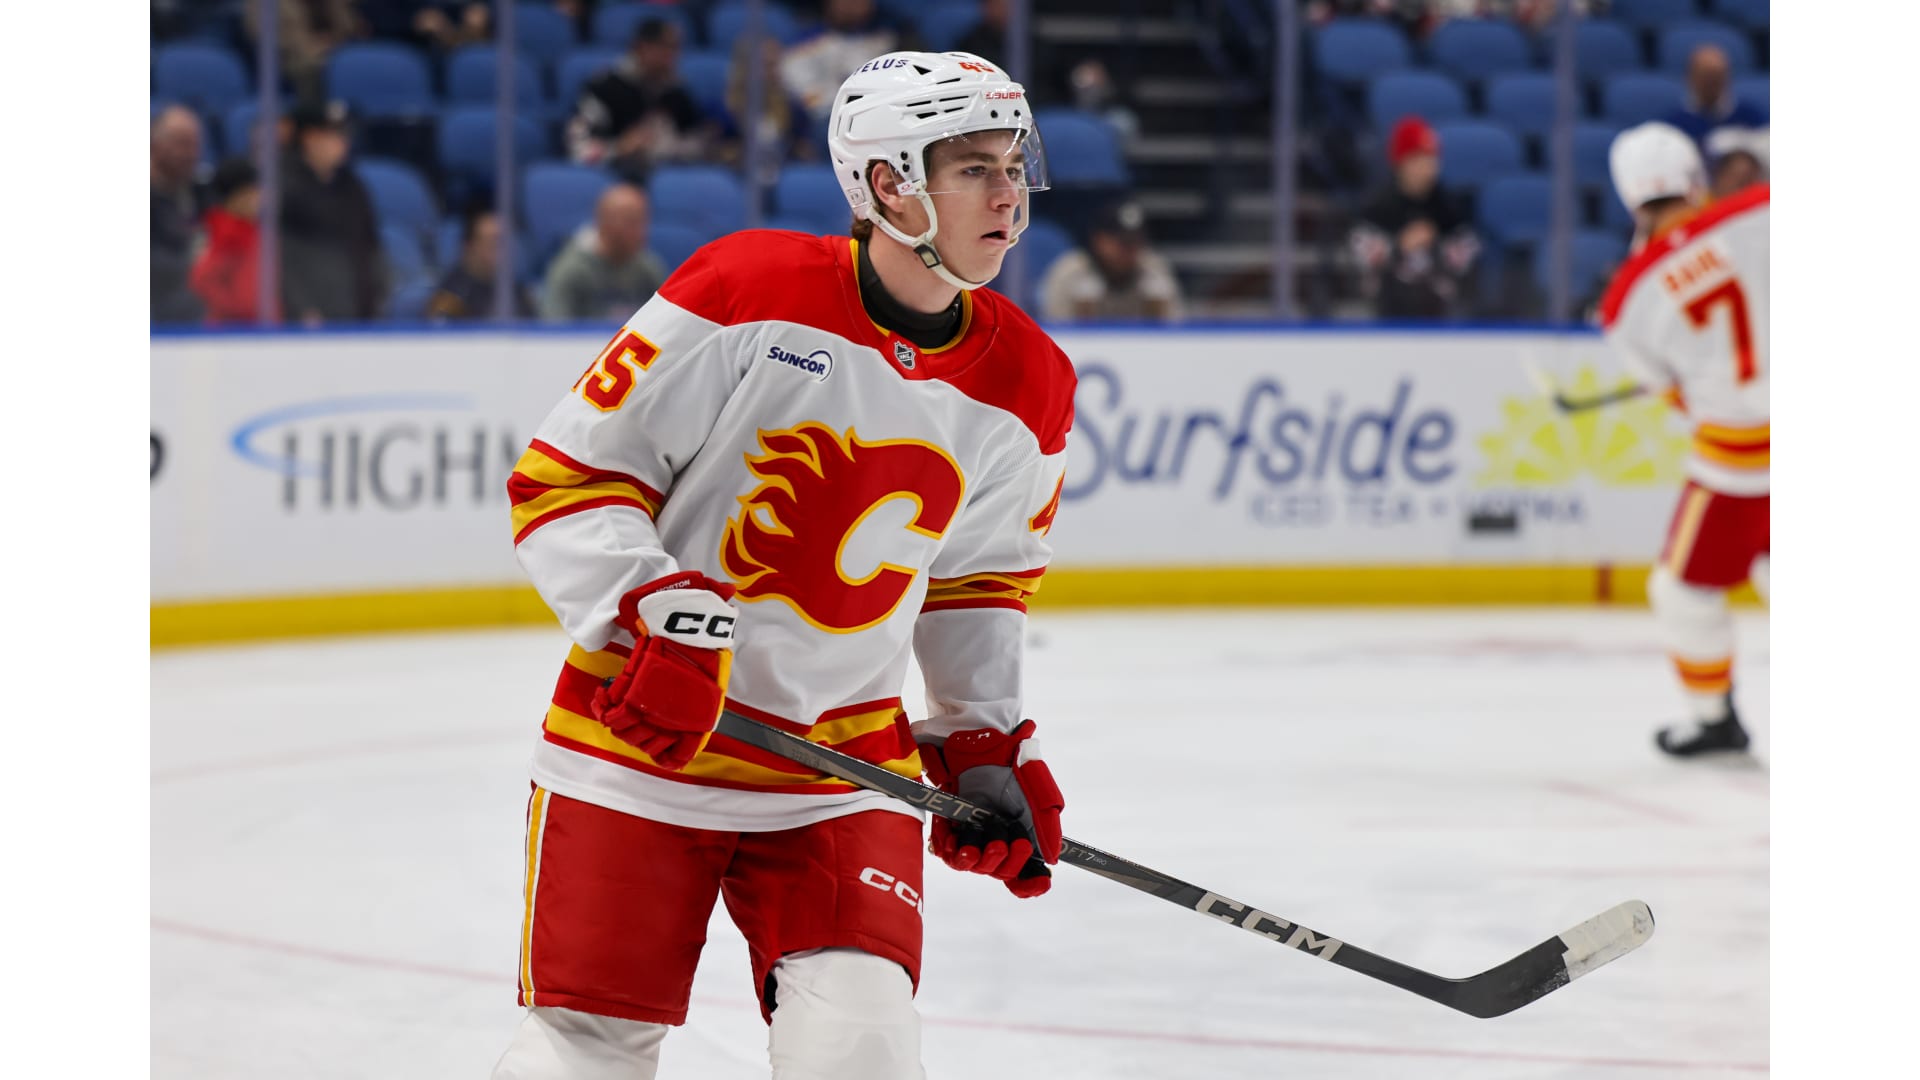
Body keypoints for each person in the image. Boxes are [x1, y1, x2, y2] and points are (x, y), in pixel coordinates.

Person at [492, 51, 1074, 1080]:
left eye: (1012, 163)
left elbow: (979, 581)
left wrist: (979, 737)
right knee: (585, 1055)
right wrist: (649, 610)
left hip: (838, 774)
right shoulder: (744, 288)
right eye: (974, 167)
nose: (1008, 193)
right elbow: (567, 481)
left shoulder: (1031, 378)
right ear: (890, 184)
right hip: (640, 745)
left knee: (862, 1050)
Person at [1597, 122, 1769, 759]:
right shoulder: (1764, 210)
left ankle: (1713, 717)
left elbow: (1675, 397)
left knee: (1682, 591)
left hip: (1735, 464)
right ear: (1696, 180)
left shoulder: (1626, 300)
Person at [1347, 116, 1480, 320]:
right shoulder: (1377, 208)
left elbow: (1470, 256)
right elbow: (1361, 269)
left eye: (1432, 158)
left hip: (1441, 318)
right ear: (1401, 162)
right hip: (1386, 317)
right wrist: (1398, 245)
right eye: (1419, 158)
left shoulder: (1449, 207)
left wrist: (1436, 245)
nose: (1428, 167)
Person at [567, 17, 713, 185]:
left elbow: (695, 139)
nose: (674, 56)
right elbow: (578, 150)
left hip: (671, 181)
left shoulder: (677, 92)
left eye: (677, 48)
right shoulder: (604, 89)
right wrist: (620, 147)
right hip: (614, 182)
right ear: (642, 47)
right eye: (667, 47)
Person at [278, 100, 386, 325]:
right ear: (310, 138)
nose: (344, 142)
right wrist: (302, 308)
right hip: (310, 319)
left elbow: (370, 243)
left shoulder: (353, 186)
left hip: (358, 311)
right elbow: (281, 255)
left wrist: (379, 296)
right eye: (334, 135)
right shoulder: (284, 188)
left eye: (345, 134)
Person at [538, 183, 669, 323]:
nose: (641, 231)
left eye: (643, 221)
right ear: (605, 221)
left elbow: (667, 319)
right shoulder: (571, 270)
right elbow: (555, 328)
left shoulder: (648, 267)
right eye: (631, 222)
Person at [1039, 199, 1185, 321]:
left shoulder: (1154, 269)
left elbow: (1177, 330)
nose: (1129, 250)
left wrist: (1157, 310)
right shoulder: (1070, 272)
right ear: (1098, 240)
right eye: (1122, 242)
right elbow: (1055, 329)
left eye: (1136, 241)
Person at [780, 0, 916, 125]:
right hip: (830, 120)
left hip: (889, 112)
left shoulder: (889, 37)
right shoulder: (804, 46)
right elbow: (811, 101)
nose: (855, 4)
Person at [190, 158, 275, 325]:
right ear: (238, 196)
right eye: (254, 192)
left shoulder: (256, 232)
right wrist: (239, 309)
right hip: (231, 329)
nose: (260, 198)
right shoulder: (224, 233)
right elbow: (202, 281)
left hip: (258, 327)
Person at [151, 105, 207, 325]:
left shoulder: (200, 193)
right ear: (154, 144)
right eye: (181, 143)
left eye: (194, 145)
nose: (189, 154)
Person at [426, 207, 534, 321]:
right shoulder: (450, 298)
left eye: (503, 242)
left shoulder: (514, 289)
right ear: (470, 247)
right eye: (492, 242)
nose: (501, 250)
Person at [1662, 44, 1768, 160]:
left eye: (1718, 77)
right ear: (1690, 77)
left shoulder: (1751, 117)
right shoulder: (1674, 123)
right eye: (1706, 77)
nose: (1712, 84)